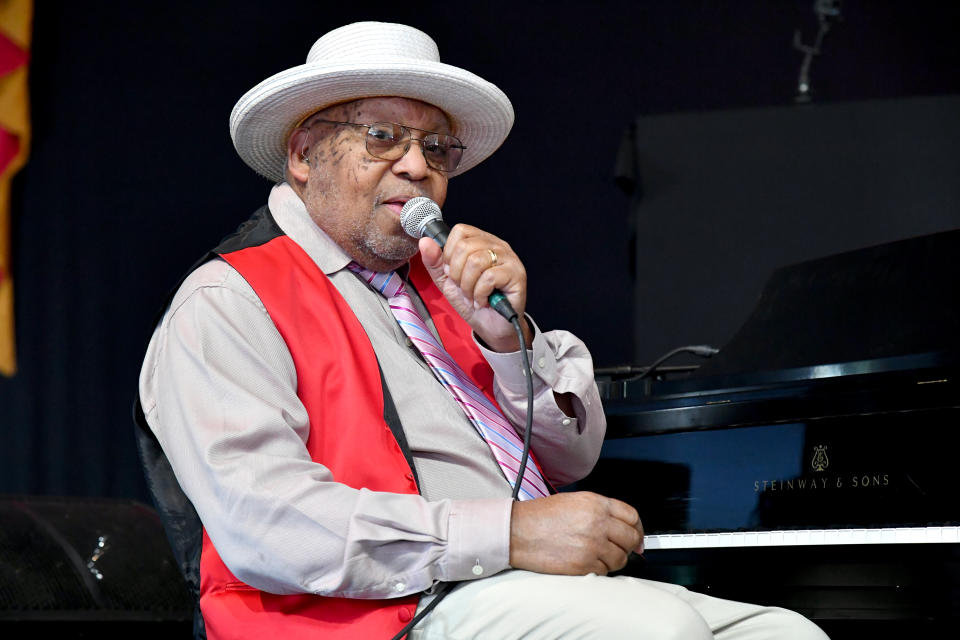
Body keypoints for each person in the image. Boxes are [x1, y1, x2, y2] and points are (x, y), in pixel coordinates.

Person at [136, 21, 829, 640]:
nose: (418, 167)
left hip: (516, 590)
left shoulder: (447, 286)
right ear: (303, 154)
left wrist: (508, 343)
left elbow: (574, 455)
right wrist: (512, 533)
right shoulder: (228, 301)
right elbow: (269, 527)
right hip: (376, 615)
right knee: (660, 628)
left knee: (787, 632)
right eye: (383, 137)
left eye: (436, 148)